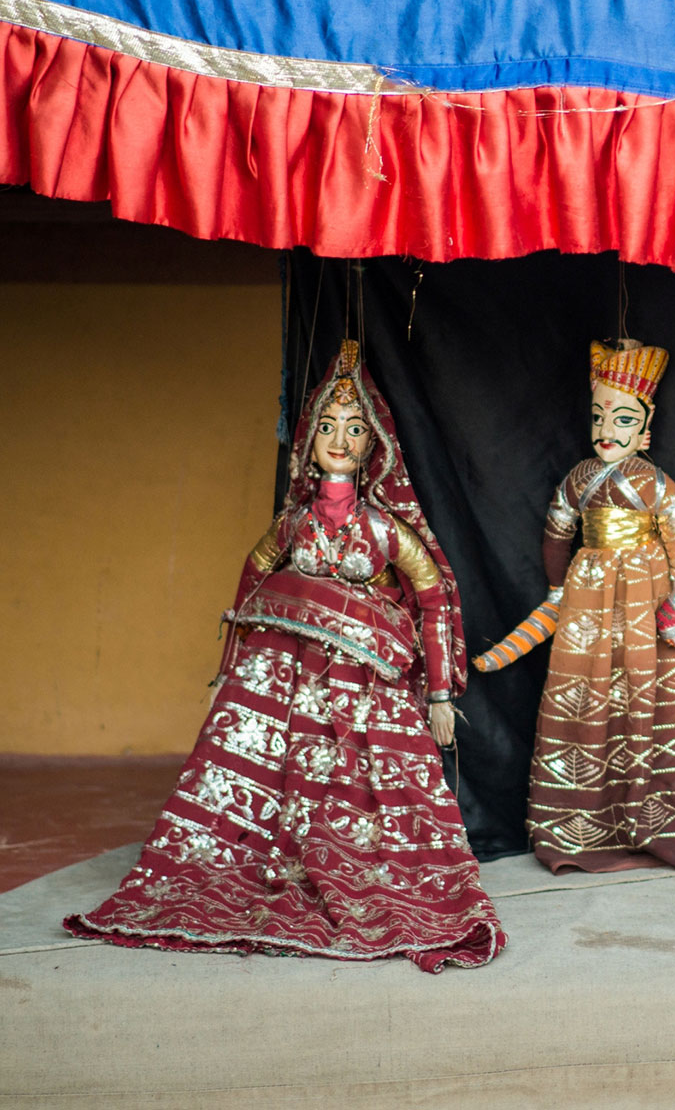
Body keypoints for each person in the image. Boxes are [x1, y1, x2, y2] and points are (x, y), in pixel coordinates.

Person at [65, 341, 503, 970]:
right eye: (327, 426)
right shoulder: (293, 524)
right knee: (252, 784)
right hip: (276, 681)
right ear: (309, 437)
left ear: (372, 446)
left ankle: (360, 869)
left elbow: (433, 599)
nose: (340, 439)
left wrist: (437, 694)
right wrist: (229, 670)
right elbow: (252, 580)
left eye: (354, 429)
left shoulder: (385, 529)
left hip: (364, 691)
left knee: (368, 798)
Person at [476, 340, 675, 872]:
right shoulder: (577, 479)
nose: (608, 429)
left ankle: (659, 823)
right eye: (598, 415)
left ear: (646, 427)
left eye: (624, 418)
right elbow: (555, 536)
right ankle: (578, 826)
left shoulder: (656, 483)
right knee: (583, 695)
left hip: (647, 601)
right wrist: (558, 592)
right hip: (585, 598)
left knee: (649, 694)